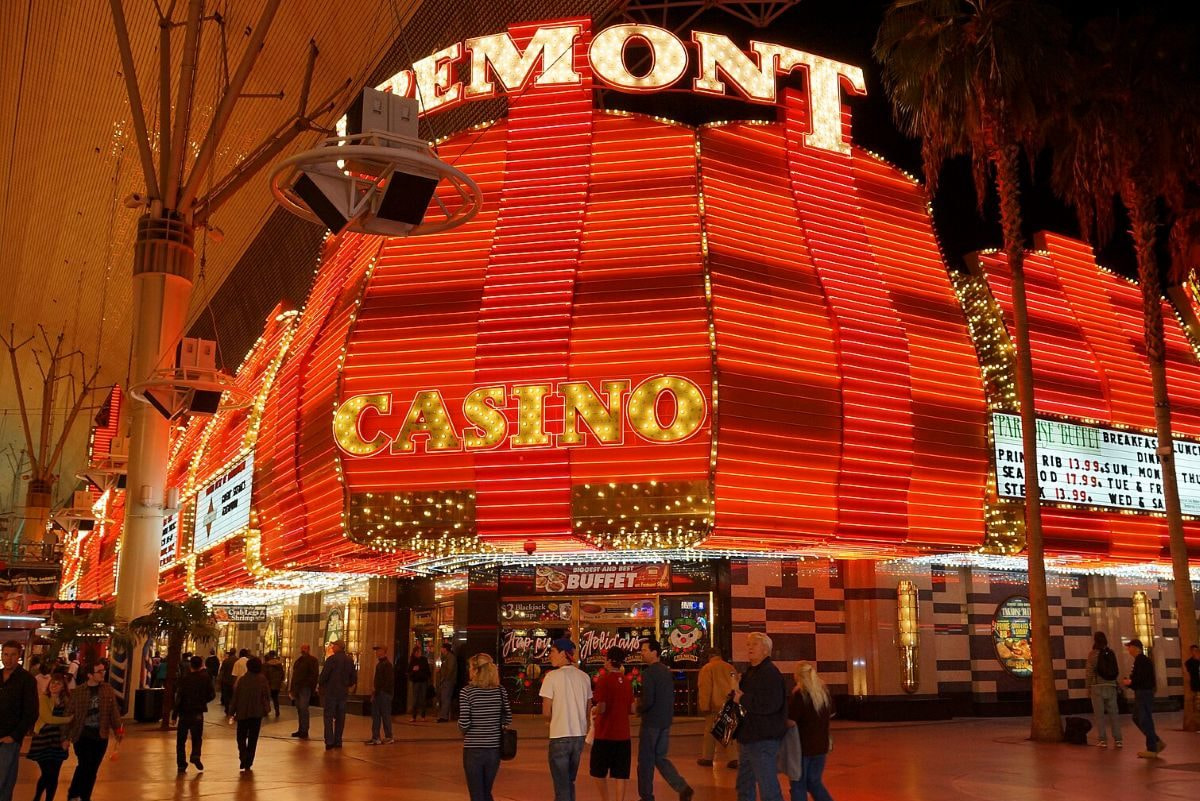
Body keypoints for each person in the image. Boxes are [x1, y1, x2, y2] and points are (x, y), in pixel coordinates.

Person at [637, 638, 693, 801]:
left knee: (646, 761)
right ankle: (682, 787)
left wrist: (638, 708)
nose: (642, 653)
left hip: (651, 722)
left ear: (654, 652)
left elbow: (648, 700)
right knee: (660, 758)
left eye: (644, 650)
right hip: (665, 721)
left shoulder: (648, 673)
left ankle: (646, 796)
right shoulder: (666, 671)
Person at [734, 632, 787, 801]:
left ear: (766, 649)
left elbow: (770, 704)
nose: (749, 648)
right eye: (748, 645)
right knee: (744, 784)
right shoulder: (751, 672)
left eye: (754, 644)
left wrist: (742, 698)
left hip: (763, 739)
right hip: (748, 737)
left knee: (768, 787)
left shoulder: (770, 673)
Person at [540, 638, 592, 801]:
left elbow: (546, 711)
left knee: (561, 784)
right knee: (569, 780)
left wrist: (551, 719)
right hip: (578, 735)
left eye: (553, 652)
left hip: (559, 734)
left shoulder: (551, 677)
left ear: (563, 653)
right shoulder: (584, 677)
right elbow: (588, 708)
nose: (550, 655)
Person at [65, 661, 123, 801]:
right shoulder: (78, 691)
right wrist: (65, 736)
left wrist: (118, 729)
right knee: (85, 765)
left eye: (104, 671)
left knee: (93, 769)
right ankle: (73, 793)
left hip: (100, 735)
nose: (103, 674)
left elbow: (113, 711)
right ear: (90, 675)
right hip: (82, 735)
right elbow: (69, 714)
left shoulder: (107, 689)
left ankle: (85, 796)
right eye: (99, 671)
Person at [458, 653, 512, 801]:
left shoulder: (467, 692)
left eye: (470, 667)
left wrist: (462, 726)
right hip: (494, 749)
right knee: (486, 791)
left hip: (473, 749)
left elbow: (464, 723)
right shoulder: (500, 691)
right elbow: (508, 718)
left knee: (476, 794)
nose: (469, 671)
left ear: (477, 670)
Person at [590, 647, 634, 801]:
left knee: (598, 771)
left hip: (605, 734)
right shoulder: (627, 682)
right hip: (623, 735)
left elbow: (602, 707)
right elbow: (632, 709)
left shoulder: (603, 680)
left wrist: (594, 710)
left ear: (609, 661)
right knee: (620, 773)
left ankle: (605, 799)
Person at [0, 641, 41, 801]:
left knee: (4, 781)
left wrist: (15, 736)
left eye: (13, 655)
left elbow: (31, 712)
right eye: (5, 654)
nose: (8, 658)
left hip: (9, 739)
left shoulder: (27, 679)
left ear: (19, 656)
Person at [789, 662, 834, 801]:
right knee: (814, 782)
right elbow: (831, 714)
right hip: (821, 746)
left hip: (802, 747)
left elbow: (791, 721)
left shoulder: (800, 695)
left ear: (798, 676)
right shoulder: (823, 693)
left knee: (798, 784)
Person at [27, 672, 71, 801]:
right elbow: (48, 718)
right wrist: (68, 719)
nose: (54, 685)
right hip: (43, 740)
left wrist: (67, 738)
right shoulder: (44, 699)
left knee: (54, 774)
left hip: (58, 741)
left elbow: (71, 725)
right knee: (47, 773)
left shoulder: (67, 702)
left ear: (63, 686)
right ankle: (37, 797)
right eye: (52, 682)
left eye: (58, 683)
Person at [696, 647, 738, 769]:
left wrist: (704, 705)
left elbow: (705, 688)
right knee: (728, 731)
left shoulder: (707, 668)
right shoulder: (730, 668)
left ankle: (707, 757)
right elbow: (735, 685)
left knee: (709, 732)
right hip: (728, 703)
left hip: (714, 705)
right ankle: (734, 758)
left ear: (709, 656)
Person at [1122, 638, 1164, 758]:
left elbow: (1141, 678)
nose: (1128, 650)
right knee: (1137, 717)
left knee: (1144, 719)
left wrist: (1130, 682)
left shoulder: (1142, 660)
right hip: (1142, 692)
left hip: (1144, 693)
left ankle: (1152, 748)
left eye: (1130, 647)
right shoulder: (1140, 660)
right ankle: (1156, 742)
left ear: (1136, 648)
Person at [175, 655, 215, 775]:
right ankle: (195, 755)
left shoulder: (184, 678)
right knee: (197, 737)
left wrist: (174, 715)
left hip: (184, 712)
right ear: (201, 664)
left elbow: (179, 697)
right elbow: (212, 694)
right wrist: (203, 701)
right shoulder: (205, 678)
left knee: (181, 740)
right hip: (198, 711)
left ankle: (181, 764)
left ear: (190, 665)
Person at [231, 657, 271, 772]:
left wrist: (231, 711)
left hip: (242, 712)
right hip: (257, 712)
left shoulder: (242, 680)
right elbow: (266, 695)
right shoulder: (262, 679)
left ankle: (243, 755)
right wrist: (266, 708)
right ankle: (249, 761)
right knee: (253, 738)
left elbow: (236, 697)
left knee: (241, 736)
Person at [318, 640, 357, 750]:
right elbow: (353, 677)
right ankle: (338, 740)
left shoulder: (331, 659)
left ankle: (329, 741)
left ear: (339, 647)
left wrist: (320, 683)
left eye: (334, 645)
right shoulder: (349, 660)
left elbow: (324, 675)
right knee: (340, 717)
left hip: (331, 692)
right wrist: (348, 685)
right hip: (343, 693)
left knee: (328, 716)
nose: (332, 647)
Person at [1085, 632, 1121, 748]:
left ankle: (1103, 740)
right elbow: (1115, 670)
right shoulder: (1111, 653)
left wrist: (1088, 687)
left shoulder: (1093, 654)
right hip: (1111, 686)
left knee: (1099, 715)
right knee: (1114, 714)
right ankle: (1118, 740)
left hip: (1097, 687)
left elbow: (1089, 672)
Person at [290, 644, 320, 739]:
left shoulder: (312, 660)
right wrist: (292, 688)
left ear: (308, 649)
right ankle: (301, 729)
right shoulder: (298, 661)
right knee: (299, 709)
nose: (303, 650)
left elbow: (314, 675)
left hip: (305, 688)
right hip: (297, 688)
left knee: (303, 708)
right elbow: (294, 675)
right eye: (302, 648)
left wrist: (310, 686)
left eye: (305, 648)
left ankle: (304, 730)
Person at [367, 645, 395, 745]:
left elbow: (388, 681)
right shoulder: (380, 664)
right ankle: (376, 737)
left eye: (378, 650)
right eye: (376, 651)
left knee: (384, 715)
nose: (376, 652)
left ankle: (388, 737)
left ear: (383, 651)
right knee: (376, 716)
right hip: (379, 693)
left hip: (383, 694)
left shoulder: (387, 665)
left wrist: (378, 691)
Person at [408, 643, 432, 722]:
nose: (419, 653)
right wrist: (413, 670)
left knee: (423, 699)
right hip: (416, 681)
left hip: (423, 681)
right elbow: (409, 671)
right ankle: (414, 716)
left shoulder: (424, 660)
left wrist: (421, 669)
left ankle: (423, 715)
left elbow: (427, 670)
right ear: (415, 653)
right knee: (415, 699)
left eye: (420, 652)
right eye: (418, 652)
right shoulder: (412, 660)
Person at [437, 641, 458, 722]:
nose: (441, 649)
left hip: (448, 681)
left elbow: (450, 670)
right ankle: (443, 715)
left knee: (445, 698)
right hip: (445, 680)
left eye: (442, 648)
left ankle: (444, 717)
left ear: (445, 649)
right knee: (444, 698)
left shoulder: (450, 657)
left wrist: (444, 678)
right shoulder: (445, 657)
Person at [264, 651, 285, 719]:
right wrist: (280, 681)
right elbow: (282, 674)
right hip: (277, 684)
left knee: (267, 698)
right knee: (275, 698)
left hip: (269, 684)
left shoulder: (267, 664)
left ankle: (266, 711)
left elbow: (265, 674)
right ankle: (277, 711)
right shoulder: (279, 664)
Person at [218, 649, 237, 715]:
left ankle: (227, 709)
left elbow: (222, 671)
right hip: (234, 680)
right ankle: (232, 709)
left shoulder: (226, 661)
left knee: (226, 696)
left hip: (226, 681)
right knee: (233, 696)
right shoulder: (237, 660)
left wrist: (219, 680)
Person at [1185, 644, 1200, 719]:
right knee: (1196, 703)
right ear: (1191, 651)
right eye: (1194, 650)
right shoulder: (1189, 662)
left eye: (1197, 650)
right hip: (1196, 684)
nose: (1195, 652)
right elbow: (1190, 673)